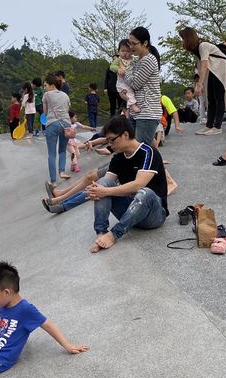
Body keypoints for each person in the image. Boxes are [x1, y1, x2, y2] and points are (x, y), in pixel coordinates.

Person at [89, 116, 169, 252]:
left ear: (126, 135)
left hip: (153, 215)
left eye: (112, 140)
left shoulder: (148, 152)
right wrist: (96, 190)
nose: (110, 145)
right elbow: (106, 184)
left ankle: (114, 234)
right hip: (129, 212)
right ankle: (101, 232)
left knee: (145, 192)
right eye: (107, 141)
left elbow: (138, 185)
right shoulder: (118, 157)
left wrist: (105, 191)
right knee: (102, 183)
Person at [179, 27, 226, 135]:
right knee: (211, 98)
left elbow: (204, 65)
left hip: (220, 69)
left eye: (183, 38)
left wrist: (199, 85)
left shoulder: (203, 46)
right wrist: (201, 83)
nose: (182, 41)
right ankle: (209, 125)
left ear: (188, 38)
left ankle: (217, 126)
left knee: (218, 97)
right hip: (214, 70)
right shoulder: (197, 48)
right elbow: (200, 67)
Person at [122, 27, 163, 145]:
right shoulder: (136, 60)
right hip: (137, 113)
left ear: (145, 43)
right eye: (130, 43)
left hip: (147, 113)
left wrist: (124, 72)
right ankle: (156, 163)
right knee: (132, 147)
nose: (131, 47)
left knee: (140, 150)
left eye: (134, 43)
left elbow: (135, 84)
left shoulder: (148, 60)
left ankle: (154, 163)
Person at [42, 74, 72, 181]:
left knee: (52, 154)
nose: (44, 88)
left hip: (52, 124)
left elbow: (45, 113)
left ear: (51, 85)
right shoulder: (65, 95)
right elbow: (67, 111)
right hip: (66, 125)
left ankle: (53, 180)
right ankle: (62, 172)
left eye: (45, 85)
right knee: (62, 150)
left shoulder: (47, 95)